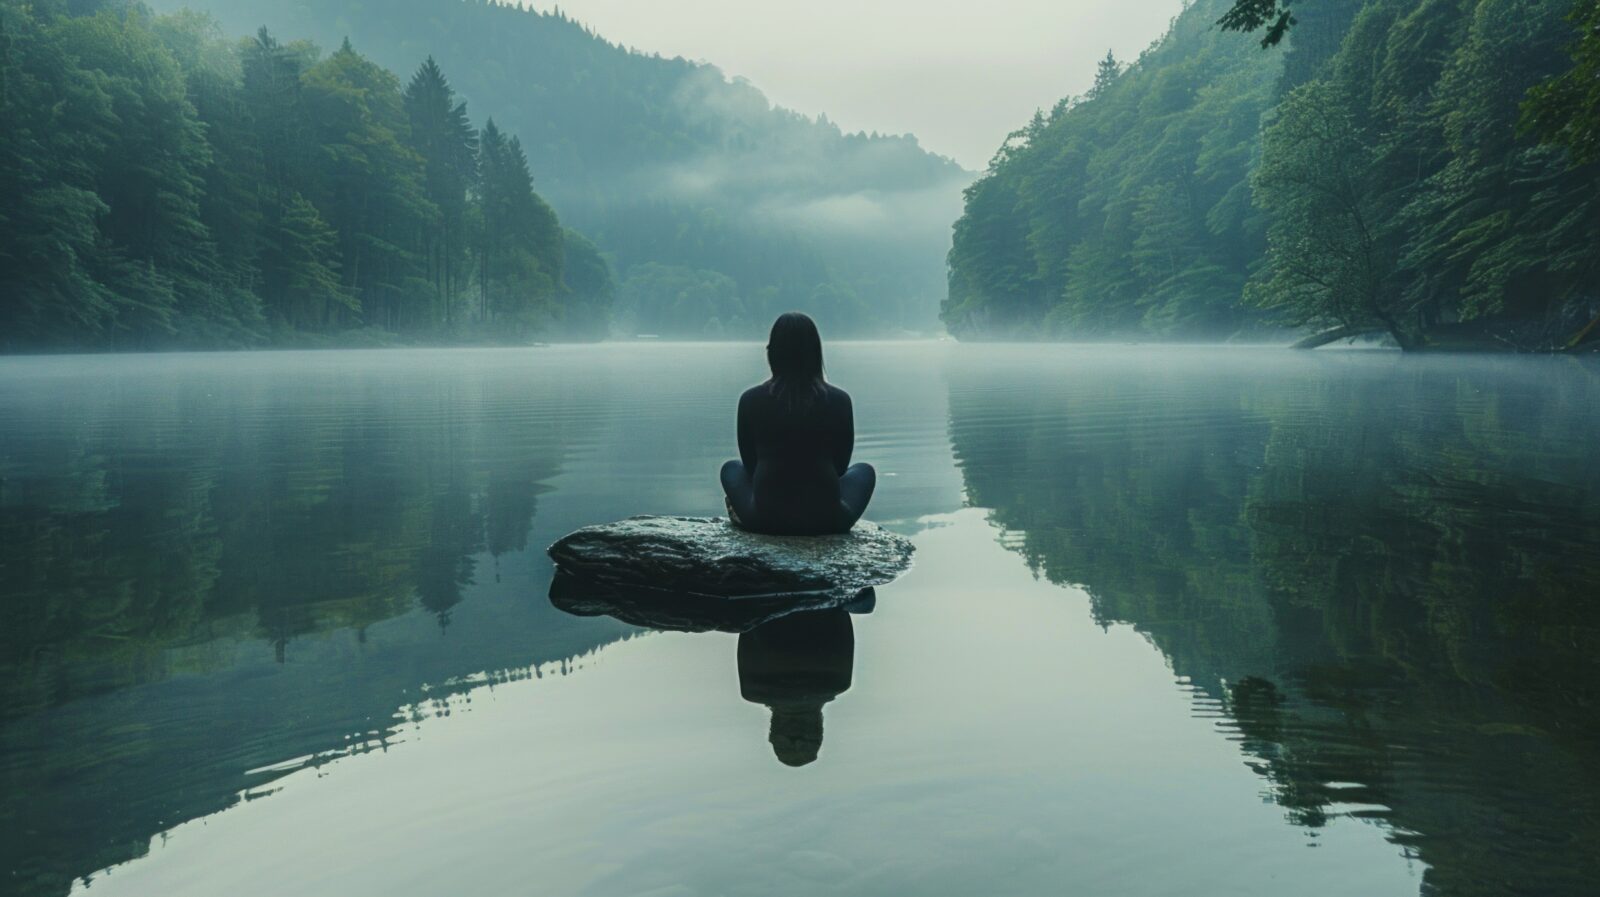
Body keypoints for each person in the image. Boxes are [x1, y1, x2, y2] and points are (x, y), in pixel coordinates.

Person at [720, 312, 876, 536]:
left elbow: (750, 467)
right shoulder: (840, 400)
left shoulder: (750, 399)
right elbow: (841, 468)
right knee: (864, 471)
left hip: (765, 520)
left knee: (731, 468)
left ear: (772, 352)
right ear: (815, 353)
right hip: (828, 521)